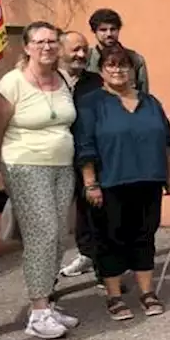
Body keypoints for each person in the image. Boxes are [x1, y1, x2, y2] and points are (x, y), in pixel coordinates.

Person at [0, 21, 80, 340]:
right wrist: (4, 167)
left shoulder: (63, 78)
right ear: (26, 47)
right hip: (24, 165)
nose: (47, 47)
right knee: (43, 233)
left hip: (62, 166)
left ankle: (47, 301)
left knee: (57, 235)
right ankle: (37, 311)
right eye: (39, 42)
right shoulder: (11, 84)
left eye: (52, 41)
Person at [75, 43, 170, 320]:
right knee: (110, 239)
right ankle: (115, 297)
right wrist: (90, 183)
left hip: (149, 179)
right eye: (111, 65)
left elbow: (168, 141)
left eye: (124, 65)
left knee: (144, 236)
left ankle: (146, 292)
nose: (118, 70)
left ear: (133, 71)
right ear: (102, 70)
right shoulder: (91, 103)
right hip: (109, 183)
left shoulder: (151, 102)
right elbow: (85, 145)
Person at [57, 31, 104, 280]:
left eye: (85, 49)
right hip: (56, 157)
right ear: (60, 50)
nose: (81, 54)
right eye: (75, 49)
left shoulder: (95, 81)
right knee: (54, 219)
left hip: (89, 156)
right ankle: (47, 285)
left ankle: (101, 267)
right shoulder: (49, 80)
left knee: (93, 212)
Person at [86, 8, 149, 94]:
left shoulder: (135, 59)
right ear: (94, 31)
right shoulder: (86, 58)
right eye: (103, 30)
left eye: (113, 29)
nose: (109, 34)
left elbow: (143, 95)